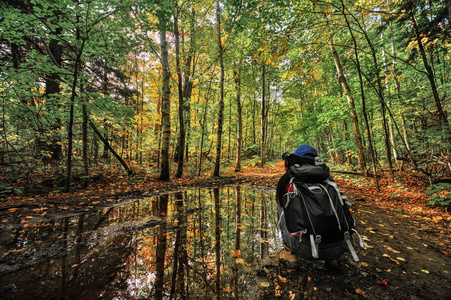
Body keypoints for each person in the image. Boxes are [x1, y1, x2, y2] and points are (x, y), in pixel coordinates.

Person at [276, 145, 348, 269]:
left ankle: (290, 254)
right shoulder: (328, 179)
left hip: (303, 248)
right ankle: (332, 259)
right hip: (338, 247)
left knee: (282, 205)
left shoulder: (288, 179)